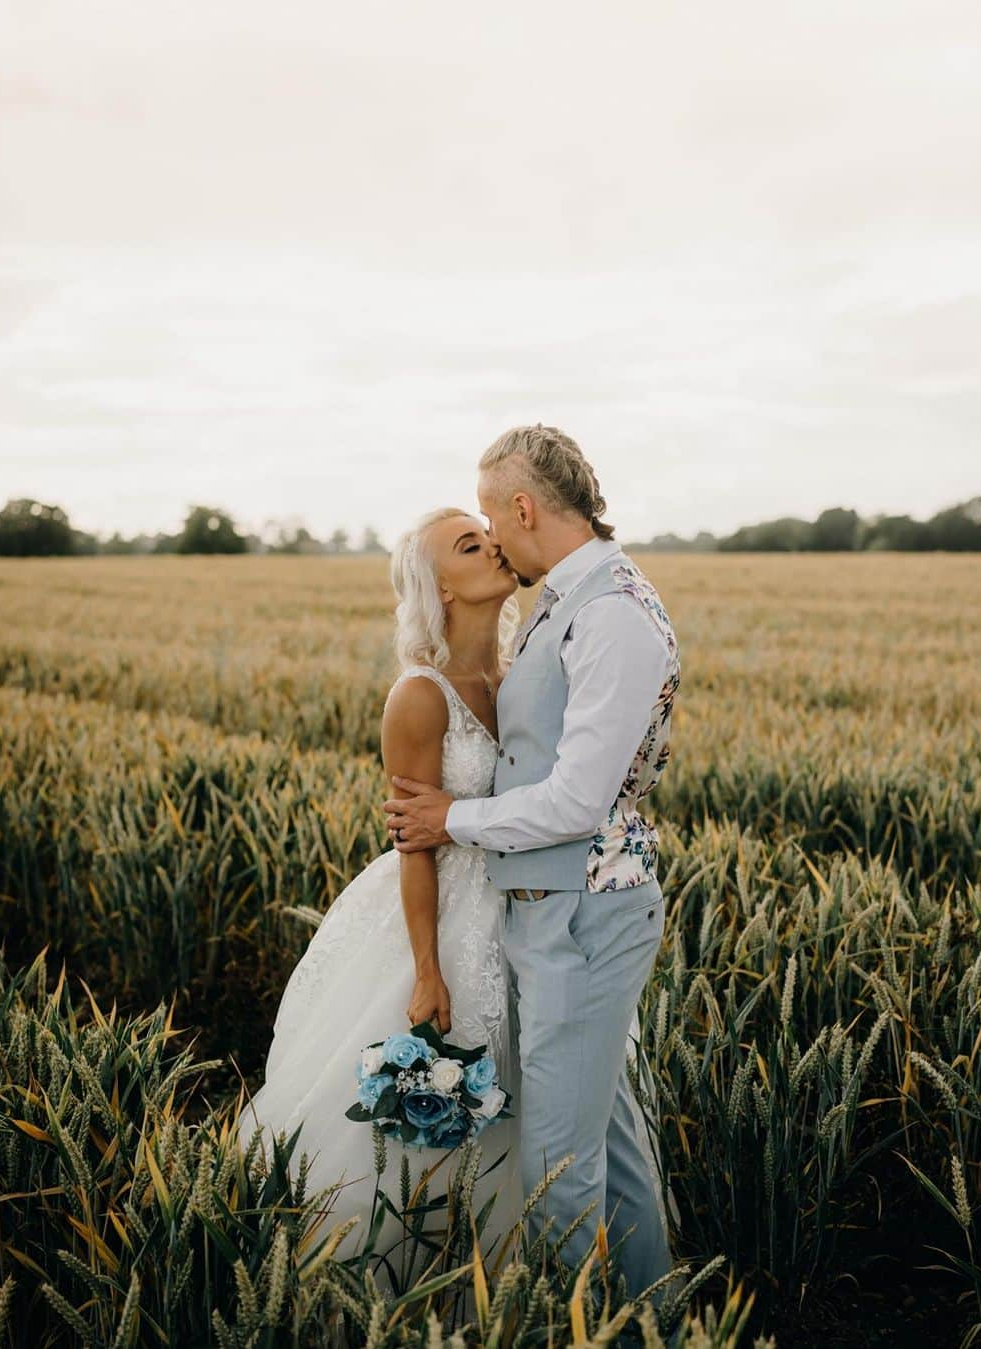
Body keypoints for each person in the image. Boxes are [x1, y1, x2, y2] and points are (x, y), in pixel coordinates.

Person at [385, 424, 680, 1299]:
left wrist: (454, 816)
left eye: (488, 516)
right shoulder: (565, 598)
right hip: (548, 909)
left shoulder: (614, 611)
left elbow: (578, 801)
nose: (490, 534)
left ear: (522, 507)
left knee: (556, 1169)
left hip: (586, 911)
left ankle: (563, 1324)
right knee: (608, 1144)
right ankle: (652, 1311)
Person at [236, 507, 528, 1280]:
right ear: (440, 588)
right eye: (471, 544)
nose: (494, 544)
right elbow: (413, 845)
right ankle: (403, 1281)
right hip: (445, 914)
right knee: (438, 1099)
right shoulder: (420, 696)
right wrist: (429, 970)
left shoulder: (522, 674)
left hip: (530, 908)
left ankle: (517, 1273)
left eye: (488, 532)